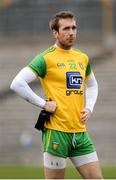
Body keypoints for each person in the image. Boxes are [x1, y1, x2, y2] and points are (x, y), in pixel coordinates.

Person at [10, 11, 103, 179]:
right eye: (66, 28)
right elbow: (17, 83)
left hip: (80, 133)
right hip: (56, 132)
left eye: (74, 27)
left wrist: (89, 108)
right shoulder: (45, 58)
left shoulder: (82, 58)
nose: (71, 32)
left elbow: (93, 85)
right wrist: (43, 104)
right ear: (55, 32)